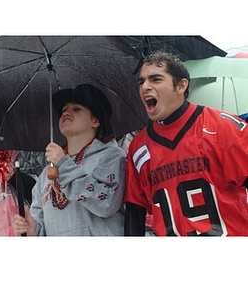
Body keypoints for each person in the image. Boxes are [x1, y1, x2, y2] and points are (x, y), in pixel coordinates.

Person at [124, 51, 248, 236]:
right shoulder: (138, 147)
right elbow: (135, 212)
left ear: (181, 85)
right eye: (141, 81)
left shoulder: (223, 128)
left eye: (155, 79)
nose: (145, 87)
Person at [14, 84, 126, 236]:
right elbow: (42, 227)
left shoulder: (112, 156)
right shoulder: (46, 175)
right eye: (63, 110)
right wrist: (34, 229)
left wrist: (64, 165)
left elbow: (105, 204)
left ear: (95, 121)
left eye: (76, 108)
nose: (66, 112)